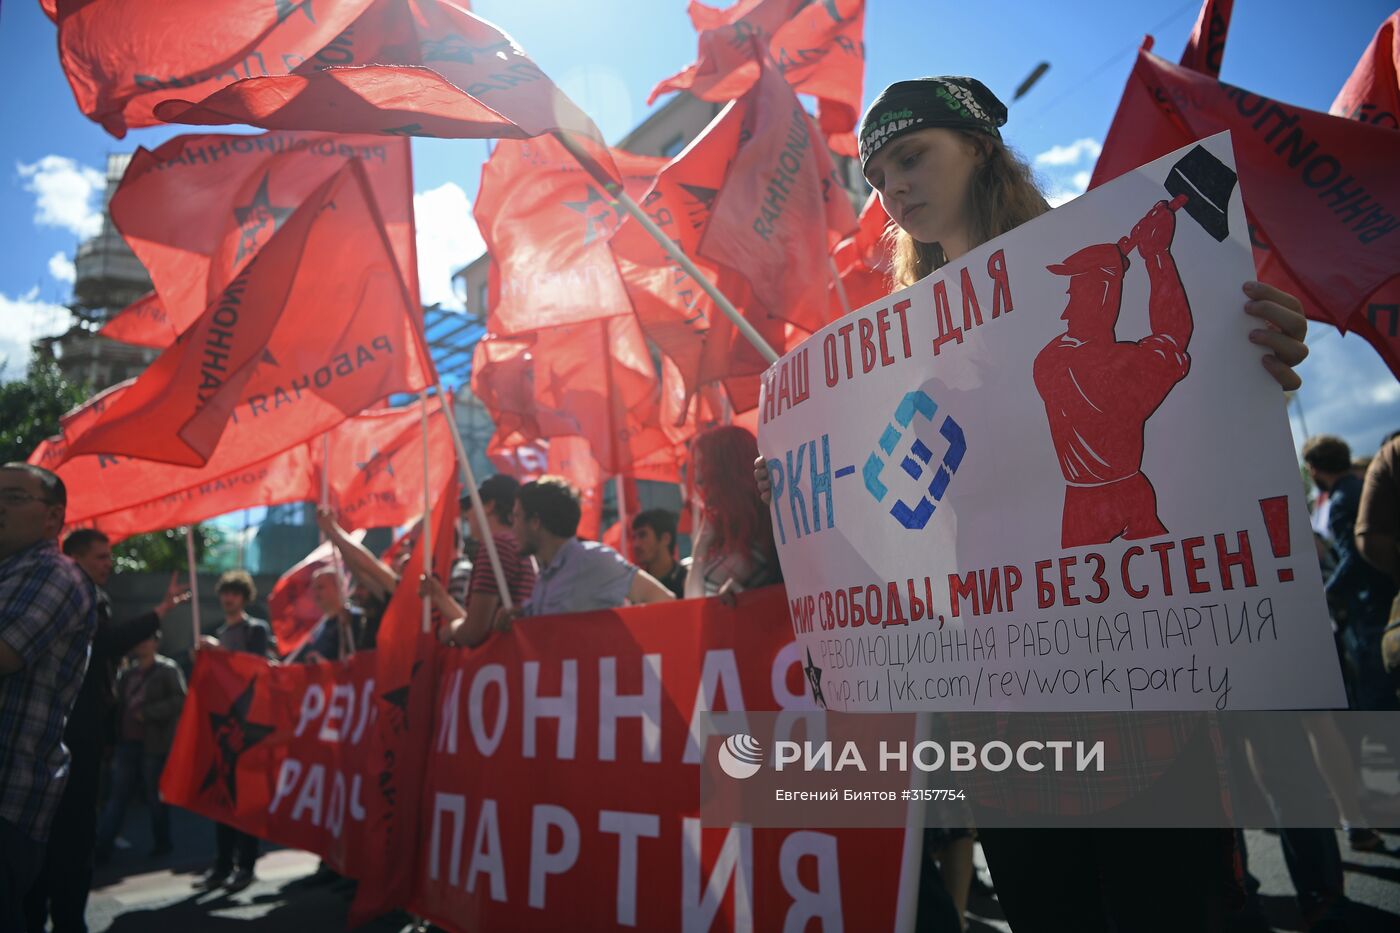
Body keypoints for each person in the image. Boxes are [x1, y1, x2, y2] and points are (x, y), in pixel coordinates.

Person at [754, 77, 1311, 933]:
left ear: (978, 147)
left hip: (1142, 698)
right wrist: (802, 489)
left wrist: (1251, 350)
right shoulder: (899, 345)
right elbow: (897, 520)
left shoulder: (1094, 268)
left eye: (911, 156)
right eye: (876, 174)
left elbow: (1180, 388)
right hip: (1002, 718)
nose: (892, 188)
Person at [24, 531, 187, 933]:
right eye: (100, 557)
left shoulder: (83, 595)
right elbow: (108, 643)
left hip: (86, 737)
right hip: (70, 737)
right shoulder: (76, 597)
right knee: (68, 834)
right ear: (75, 559)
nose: (108, 564)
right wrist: (160, 612)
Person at [0, 464, 96, 933]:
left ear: (53, 517)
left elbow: (5, 653)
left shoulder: (53, 572)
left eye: (14, 497)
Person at [1304, 434, 1399, 713]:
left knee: (1377, 697)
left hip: (1370, 605)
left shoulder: (1341, 502)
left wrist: (1327, 592)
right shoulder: (1359, 487)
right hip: (1387, 595)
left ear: (1316, 467)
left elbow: (1354, 557)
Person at [195, 570, 275, 892]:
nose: (229, 598)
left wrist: (218, 654)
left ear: (244, 598)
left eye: (235, 594)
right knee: (223, 798)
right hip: (224, 727)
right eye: (225, 593)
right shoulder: (219, 633)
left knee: (246, 799)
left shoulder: (255, 630)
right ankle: (223, 864)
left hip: (249, 726)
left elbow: (254, 666)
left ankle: (246, 865)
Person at [499, 476, 674, 622]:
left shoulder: (594, 559)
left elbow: (663, 600)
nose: (513, 527)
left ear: (535, 522)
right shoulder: (545, 576)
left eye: (516, 517)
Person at [93, 632, 186, 865]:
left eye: (148, 640)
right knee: (118, 796)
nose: (143, 644)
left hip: (154, 743)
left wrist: (150, 713)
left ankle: (162, 842)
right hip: (127, 742)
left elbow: (179, 700)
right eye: (139, 640)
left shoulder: (167, 669)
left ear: (156, 643)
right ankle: (103, 846)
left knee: (155, 796)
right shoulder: (127, 673)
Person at [435, 476, 537, 648]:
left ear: (489, 506)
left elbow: (474, 632)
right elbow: (482, 622)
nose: (466, 514)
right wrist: (439, 596)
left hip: (502, 660)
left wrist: (449, 632)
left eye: (471, 506)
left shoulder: (497, 546)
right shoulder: (514, 544)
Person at [685, 427, 781, 602]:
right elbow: (692, 606)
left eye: (703, 466)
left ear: (728, 471)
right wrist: (700, 547)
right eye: (696, 467)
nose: (697, 478)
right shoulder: (716, 531)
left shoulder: (775, 525)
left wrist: (750, 601)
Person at [285, 567, 363, 664]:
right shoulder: (319, 626)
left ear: (339, 587)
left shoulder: (355, 618)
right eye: (314, 589)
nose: (315, 593)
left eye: (320, 587)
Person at [630, 509, 688, 598]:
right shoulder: (635, 585)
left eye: (643, 535)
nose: (636, 544)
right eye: (634, 537)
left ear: (666, 538)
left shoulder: (688, 581)